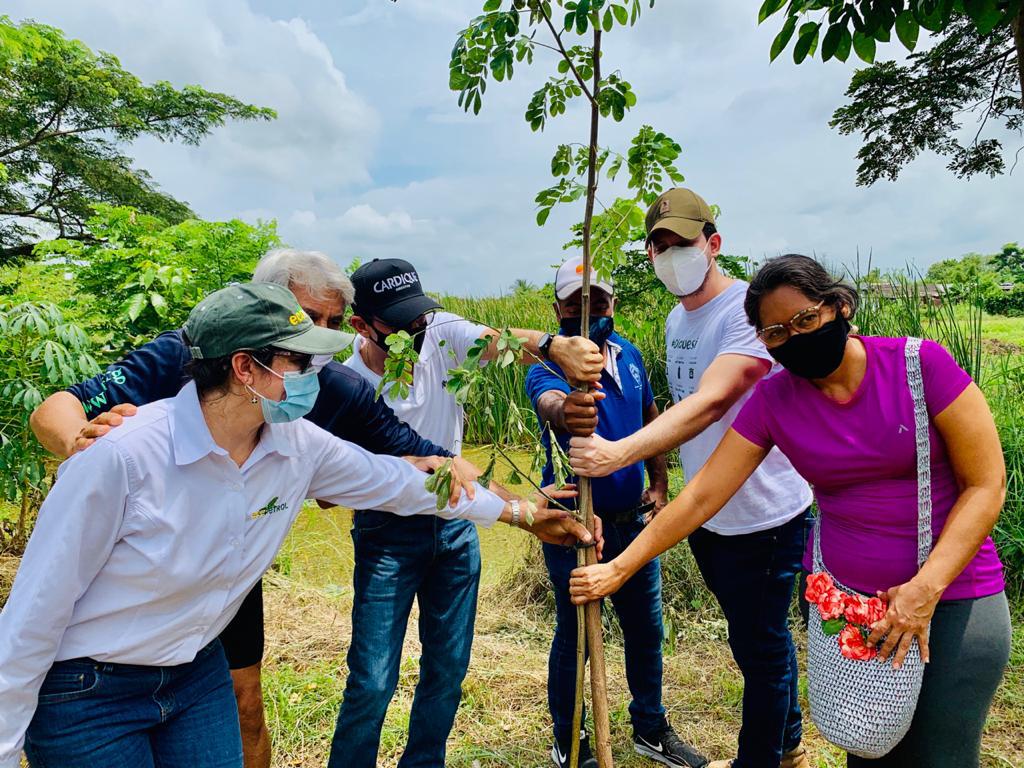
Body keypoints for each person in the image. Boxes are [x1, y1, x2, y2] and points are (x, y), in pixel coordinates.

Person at [0, 282, 593, 768]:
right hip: (90, 689)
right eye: (301, 359)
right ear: (245, 369)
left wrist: (521, 514)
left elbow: (406, 484)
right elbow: (32, 617)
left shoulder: (298, 445)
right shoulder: (123, 454)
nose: (319, 372)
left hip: (194, 670)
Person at [568, 255, 1011, 768]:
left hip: (954, 599)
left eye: (805, 321)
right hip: (854, 609)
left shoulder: (919, 365)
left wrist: (925, 588)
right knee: (868, 750)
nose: (794, 338)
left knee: (940, 756)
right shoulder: (775, 400)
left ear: (839, 307)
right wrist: (620, 567)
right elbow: (702, 495)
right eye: (776, 333)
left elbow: (986, 483)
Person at [568, 189, 814, 768]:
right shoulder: (680, 316)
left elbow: (712, 400)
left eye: (683, 243)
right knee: (759, 639)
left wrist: (616, 454)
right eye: (659, 246)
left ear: (714, 244)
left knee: (762, 649)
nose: (671, 254)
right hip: (709, 512)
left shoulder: (745, 314)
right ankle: (791, 746)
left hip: (765, 514)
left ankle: (767, 758)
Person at [331, 257, 605, 768]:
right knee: (371, 678)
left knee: (448, 668)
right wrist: (517, 508)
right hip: (387, 534)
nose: (415, 331)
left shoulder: (439, 334)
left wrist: (554, 347)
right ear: (360, 326)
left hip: (456, 532)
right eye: (397, 325)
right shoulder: (343, 382)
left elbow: (499, 340)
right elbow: (340, 489)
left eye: (419, 317)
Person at [525, 256, 706, 768]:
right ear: (556, 308)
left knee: (646, 630)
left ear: (613, 304)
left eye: (597, 301)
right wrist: (568, 410)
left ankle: (650, 728)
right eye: (573, 303)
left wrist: (660, 482)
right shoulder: (547, 365)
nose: (587, 311)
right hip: (574, 528)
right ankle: (571, 740)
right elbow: (550, 403)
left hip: (633, 522)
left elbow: (652, 416)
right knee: (577, 635)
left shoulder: (627, 354)